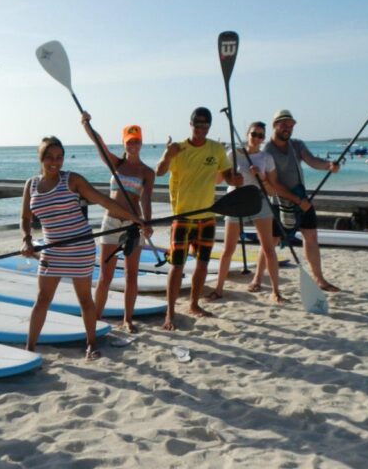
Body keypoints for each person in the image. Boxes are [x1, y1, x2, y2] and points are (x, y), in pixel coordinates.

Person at [20, 136, 148, 359]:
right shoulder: (30, 185)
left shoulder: (72, 180)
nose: (55, 162)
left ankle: (91, 344)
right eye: (49, 157)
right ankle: (30, 349)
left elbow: (105, 202)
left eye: (59, 157)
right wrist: (27, 239)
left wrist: (135, 219)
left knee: (85, 299)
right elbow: (25, 217)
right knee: (42, 300)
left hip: (80, 248)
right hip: (52, 249)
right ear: (40, 157)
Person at [155, 107, 243, 330]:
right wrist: (167, 155)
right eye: (197, 124)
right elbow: (159, 172)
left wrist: (238, 179)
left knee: (202, 264)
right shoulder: (179, 148)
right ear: (191, 124)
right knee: (177, 266)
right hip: (183, 217)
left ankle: (194, 304)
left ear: (209, 127)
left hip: (208, 216)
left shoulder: (216, 148)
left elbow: (228, 176)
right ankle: (170, 312)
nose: (201, 129)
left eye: (205, 125)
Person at [81, 112, 155, 333]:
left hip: (133, 227)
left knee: (131, 275)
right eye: (129, 141)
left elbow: (146, 200)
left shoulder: (147, 172)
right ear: (124, 142)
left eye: (137, 141)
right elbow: (99, 143)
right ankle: (97, 316)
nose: (133, 145)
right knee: (105, 276)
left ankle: (127, 319)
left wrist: (148, 223)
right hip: (111, 223)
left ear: (141, 143)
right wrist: (86, 124)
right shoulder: (116, 163)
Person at [258, 109, 341, 292]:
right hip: (278, 201)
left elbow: (312, 161)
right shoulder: (267, 150)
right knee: (270, 241)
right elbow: (274, 184)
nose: (288, 128)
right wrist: (297, 200)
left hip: (301, 198)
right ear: (274, 125)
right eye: (284, 124)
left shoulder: (297, 145)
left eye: (291, 124)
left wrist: (329, 166)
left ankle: (319, 279)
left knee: (311, 236)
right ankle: (257, 279)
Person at [208, 121, 285, 304]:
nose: (256, 138)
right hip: (235, 200)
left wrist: (262, 177)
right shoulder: (232, 154)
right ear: (247, 134)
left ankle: (276, 291)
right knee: (228, 249)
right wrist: (229, 174)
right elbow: (218, 180)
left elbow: (273, 191)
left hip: (258, 200)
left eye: (260, 135)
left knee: (268, 248)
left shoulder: (266, 158)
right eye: (253, 134)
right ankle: (219, 289)